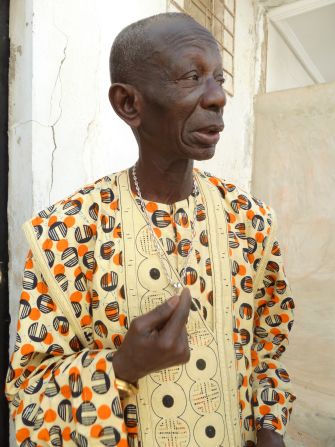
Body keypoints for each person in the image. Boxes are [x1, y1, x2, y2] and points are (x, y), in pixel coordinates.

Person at [6, 12, 295, 447]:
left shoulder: (250, 221)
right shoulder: (64, 232)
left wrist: (270, 433)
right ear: (128, 104)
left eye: (219, 77)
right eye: (192, 77)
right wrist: (123, 365)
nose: (218, 97)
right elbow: (29, 392)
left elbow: (267, 349)